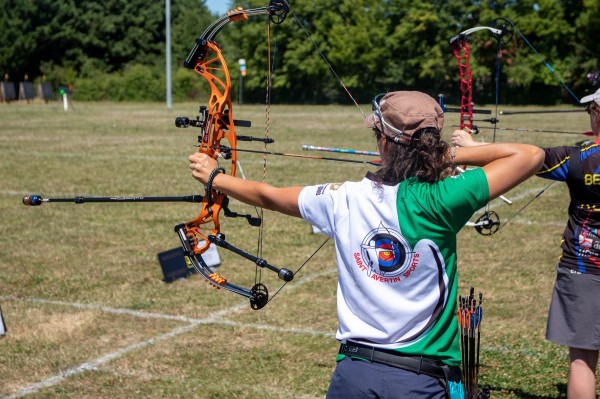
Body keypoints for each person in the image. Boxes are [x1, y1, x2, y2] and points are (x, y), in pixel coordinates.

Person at [189, 91, 544, 399]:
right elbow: (530, 156)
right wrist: (448, 156)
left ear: (384, 140)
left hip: (354, 376)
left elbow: (267, 195)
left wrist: (216, 177)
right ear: (432, 143)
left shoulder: (340, 198)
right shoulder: (443, 199)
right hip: (421, 379)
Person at [452, 88, 600, 399]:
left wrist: (472, 147)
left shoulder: (580, 159)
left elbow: (528, 158)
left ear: (597, 113)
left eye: (591, 111)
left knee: (583, 361)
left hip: (585, 270)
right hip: (584, 271)